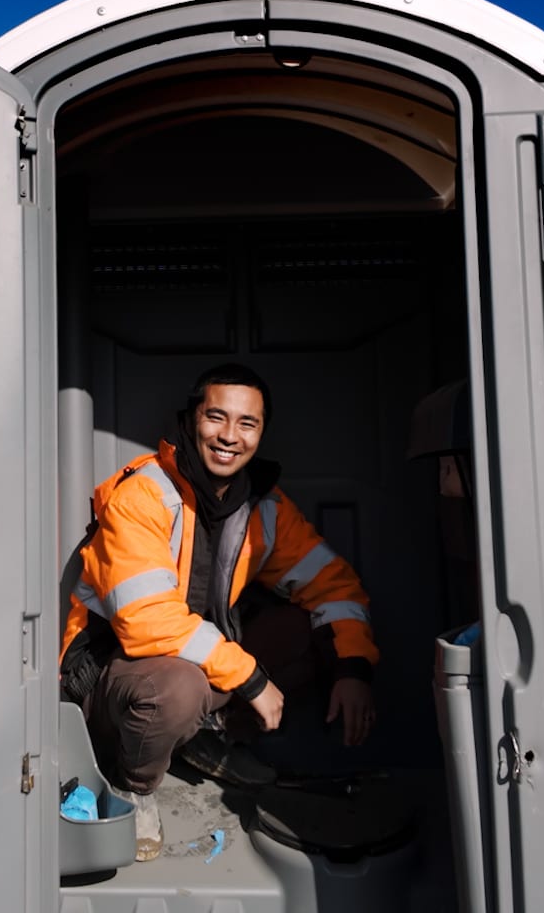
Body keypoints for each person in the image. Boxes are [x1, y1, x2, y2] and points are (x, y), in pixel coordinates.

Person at [58, 363, 378, 861]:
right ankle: (133, 785)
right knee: (177, 688)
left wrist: (352, 669)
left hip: (193, 656)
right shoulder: (143, 493)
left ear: (261, 432)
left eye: (247, 423)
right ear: (191, 420)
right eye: (216, 417)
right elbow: (146, 622)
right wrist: (250, 678)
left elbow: (333, 585)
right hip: (108, 674)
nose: (230, 436)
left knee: (304, 632)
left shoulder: (263, 507)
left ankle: (202, 740)